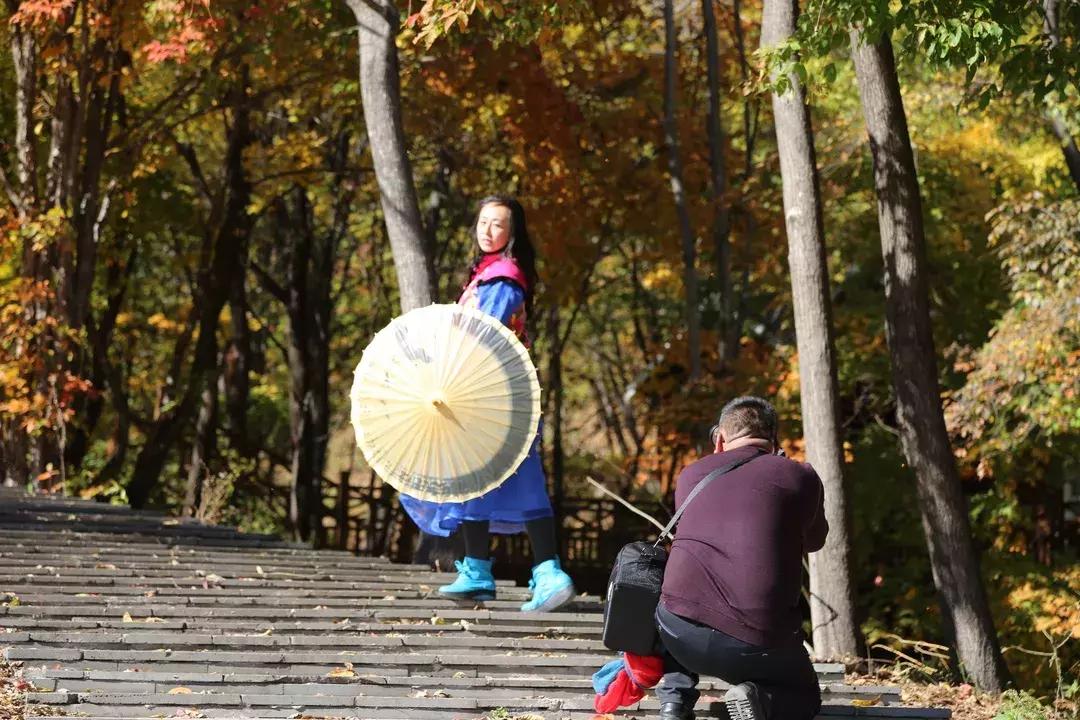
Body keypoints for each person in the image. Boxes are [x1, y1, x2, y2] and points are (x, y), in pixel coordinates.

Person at [398, 195, 576, 613]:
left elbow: (484, 332)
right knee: (474, 475)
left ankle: (549, 572)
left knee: (520, 475)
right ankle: (478, 569)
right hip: (483, 392)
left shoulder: (503, 276)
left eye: (498, 224)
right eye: (483, 222)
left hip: (499, 396)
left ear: (512, 234)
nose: (488, 230)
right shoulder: (484, 275)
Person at [654, 396, 828, 720]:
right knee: (805, 698)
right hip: (757, 643)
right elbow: (816, 541)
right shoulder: (800, 477)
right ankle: (758, 698)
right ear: (774, 440)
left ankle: (673, 703)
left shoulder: (690, 476)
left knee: (678, 592)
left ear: (719, 438)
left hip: (678, 632)